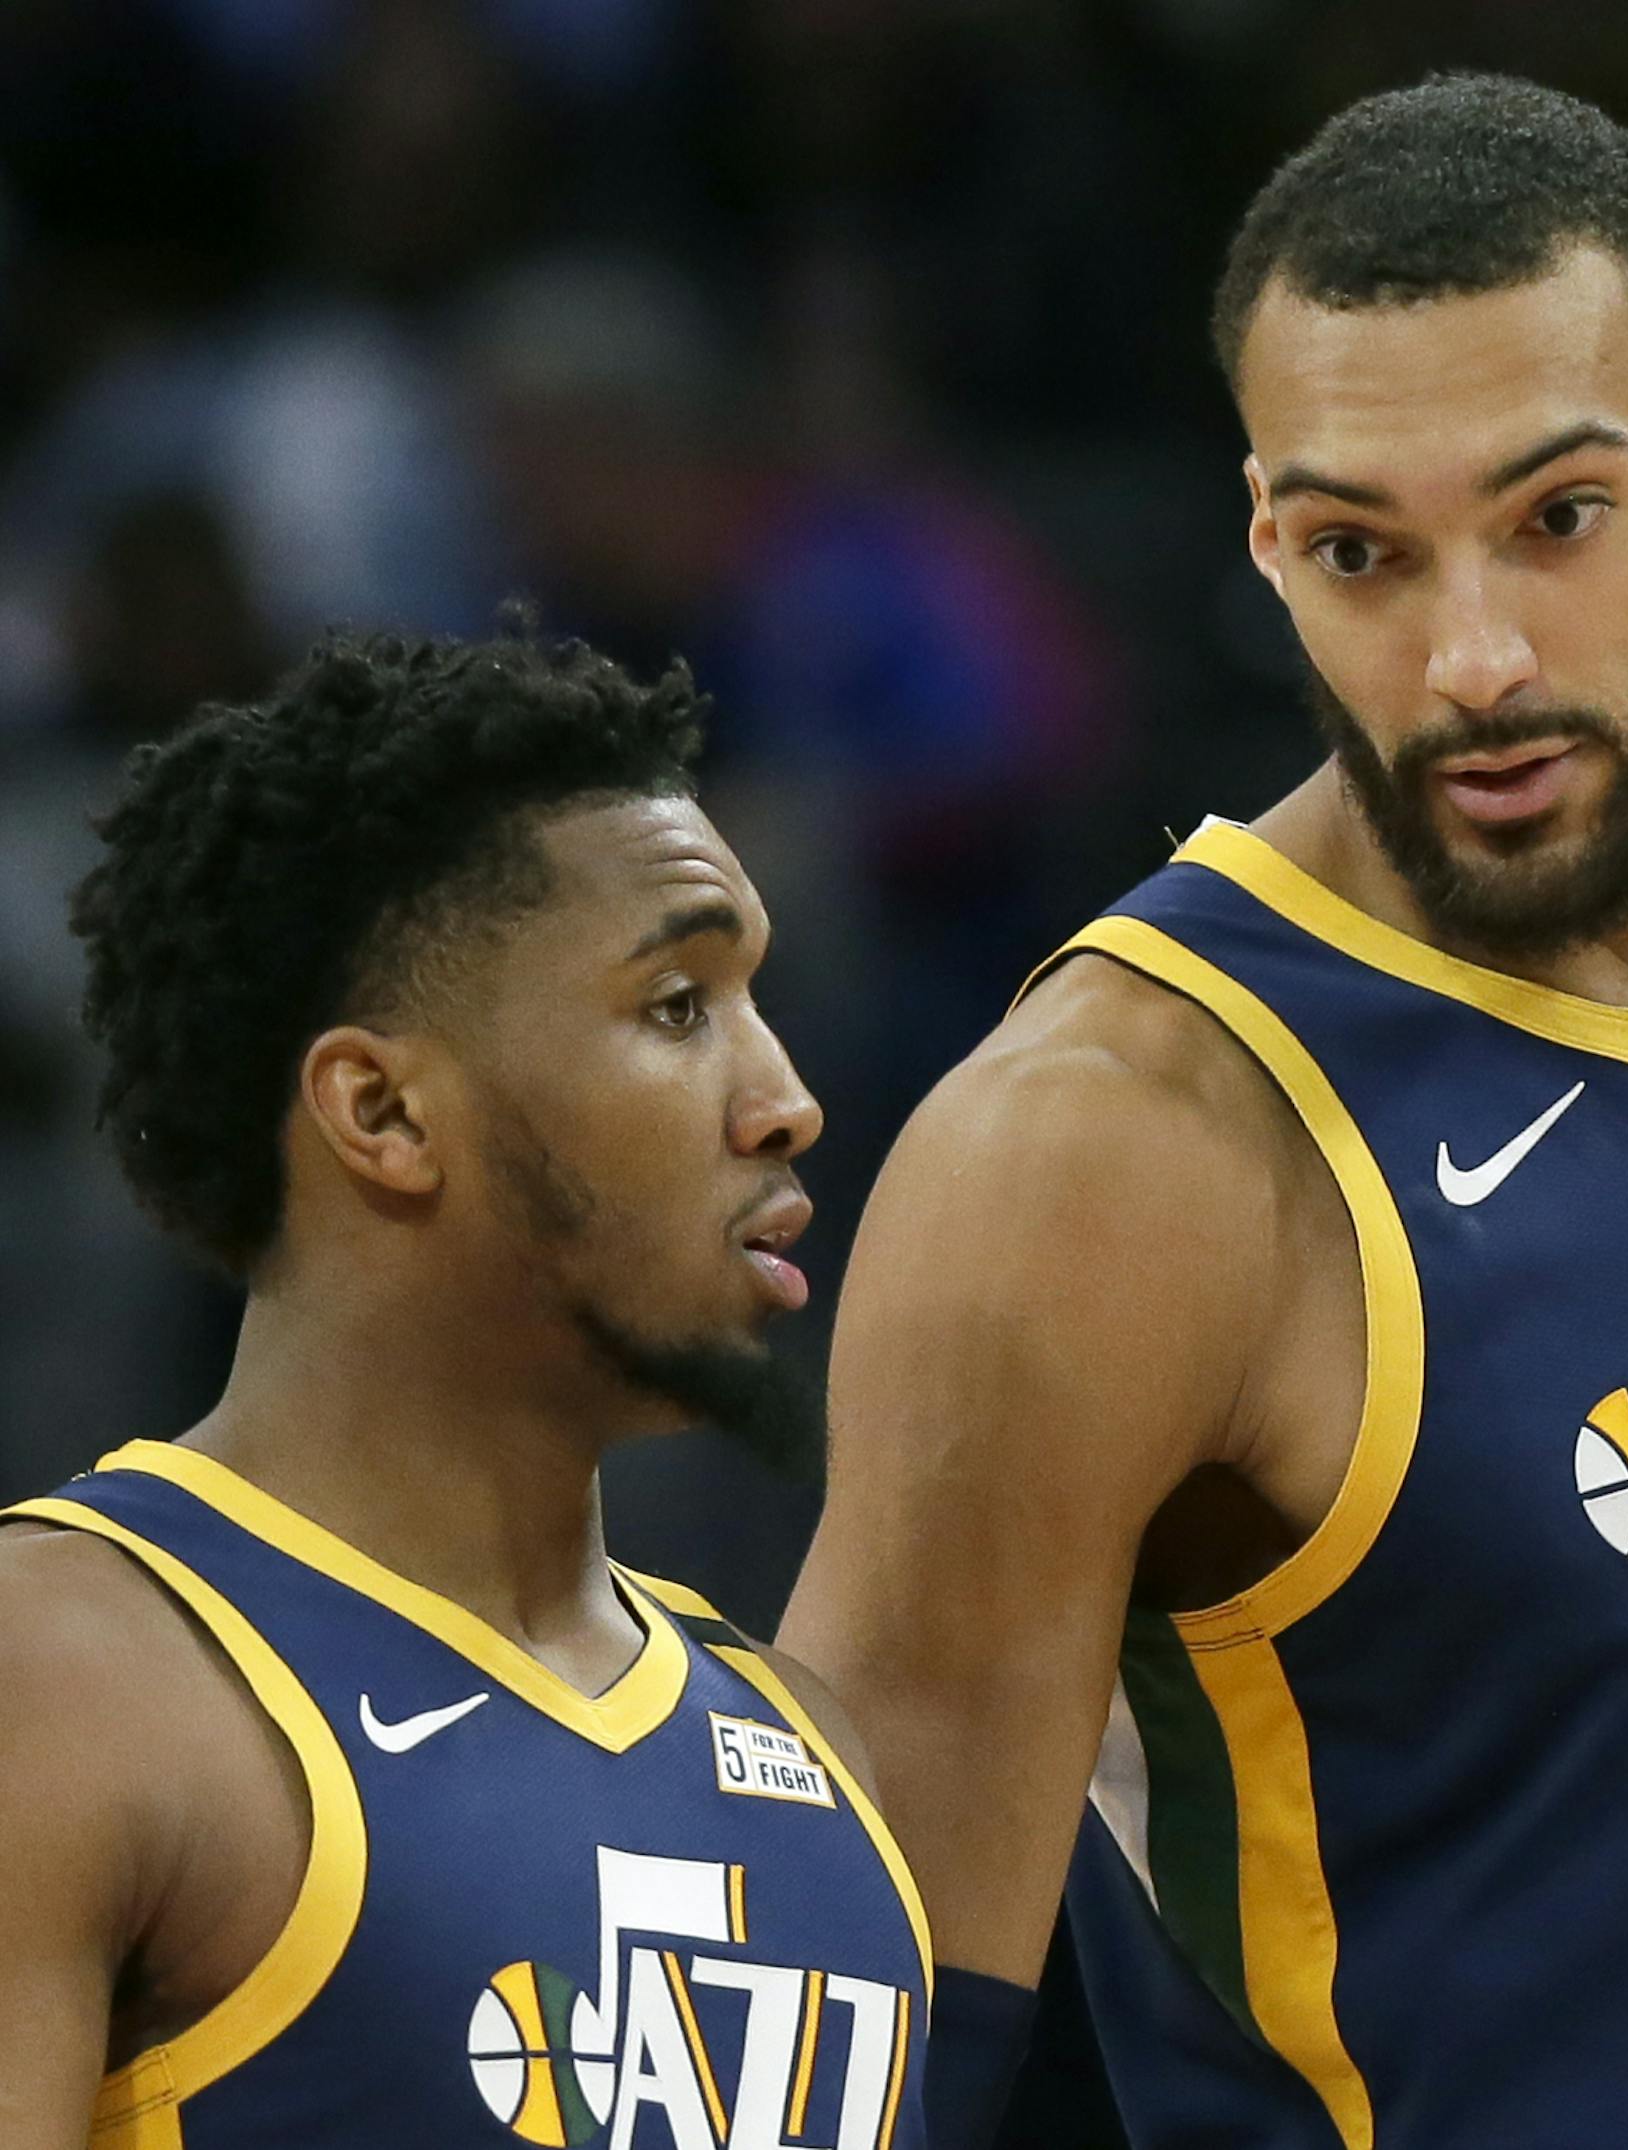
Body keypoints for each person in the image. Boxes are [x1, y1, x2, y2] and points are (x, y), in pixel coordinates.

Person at [779, 71, 1628, 2149]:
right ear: (1268, 544)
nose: (1473, 660)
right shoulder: (1111, 1153)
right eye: (1364, 553)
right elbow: (836, 2037)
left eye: (1556, 517)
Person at [0, 624, 930, 2149]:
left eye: (755, 1001)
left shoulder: (813, 1752)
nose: (786, 1101)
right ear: (382, 1109)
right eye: (678, 1006)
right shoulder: (64, 1672)